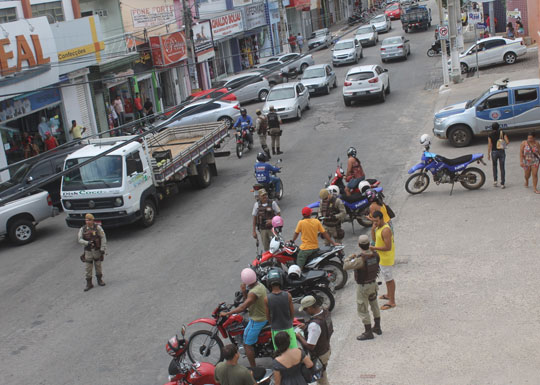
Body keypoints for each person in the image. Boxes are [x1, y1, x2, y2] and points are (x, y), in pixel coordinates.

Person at [220, 268, 267, 368]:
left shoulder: (253, 292)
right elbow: (248, 303)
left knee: (247, 345)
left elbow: (243, 307)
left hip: (258, 320)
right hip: (260, 316)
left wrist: (228, 313)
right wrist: (244, 291)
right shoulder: (259, 285)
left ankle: (254, 368)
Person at [344, 234, 381, 341]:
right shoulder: (375, 255)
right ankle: (377, 327)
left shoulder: (360, 259)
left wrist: (350, 257)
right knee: (374, 305)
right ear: (369, 244)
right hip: (373, 284)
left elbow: (345, 266)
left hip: (363, 287)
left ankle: (368, 332)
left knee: (363, 309)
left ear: (359, 245)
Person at [296, 295, 333, 385]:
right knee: (321, 375)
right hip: (326, 348)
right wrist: (306, 326)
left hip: (320, 355)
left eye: (305, 309)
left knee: (322, 379)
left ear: (310, 308)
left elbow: (310, 346)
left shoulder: (314, 325)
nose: (305, 312)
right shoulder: (325, 312)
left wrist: (299, 337)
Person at [264, 269, 297, 349]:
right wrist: (289, 322)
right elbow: (292, 313)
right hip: (288, 327)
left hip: (276, 330)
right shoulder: (288, 295)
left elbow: (268, 316)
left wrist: (273, 323)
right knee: (293, 350)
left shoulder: (267, 298)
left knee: (280, 352)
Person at [370, 210, 395, 310]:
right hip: (381, 258)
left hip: (386, 258)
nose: (375, 223)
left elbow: (388, 247)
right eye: (373, 221)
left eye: (376, 221)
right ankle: (389, 295)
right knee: (386, 279)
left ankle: (392, 301)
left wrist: (374, 248)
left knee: (389, 280)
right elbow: (375, 240)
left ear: (381, 218)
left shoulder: (385, 230)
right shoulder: (378, 228)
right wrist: (372, 229)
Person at [78, 213, 107, 292]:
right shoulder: (83, 229)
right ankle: (89, 283)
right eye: (86, 220)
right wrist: (87, 243)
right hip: (88, 251)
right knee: (88, 267)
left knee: (98, 265)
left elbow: (103, 237)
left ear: (93, 220)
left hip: (97, 250)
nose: (87, 222)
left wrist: (102, 248)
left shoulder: (97, 228)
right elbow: (79, 239)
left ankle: (99, 280)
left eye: (89, 220)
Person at [487, 122, 509, 188]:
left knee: (494, 166)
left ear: (492, 127)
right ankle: (502, 183)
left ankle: (495, 181)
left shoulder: (490, 135)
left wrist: (488, 153)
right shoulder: (502, 133)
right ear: (498, 127)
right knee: (502, 167)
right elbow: (507, 141)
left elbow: (489, 144)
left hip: (494, 152)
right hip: (501, 151)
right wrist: (503, 145)